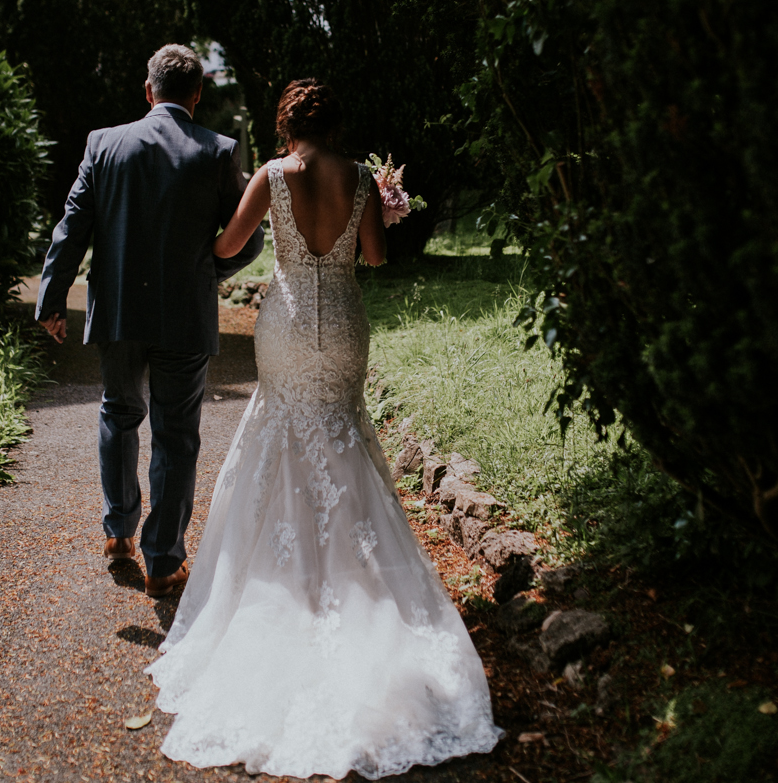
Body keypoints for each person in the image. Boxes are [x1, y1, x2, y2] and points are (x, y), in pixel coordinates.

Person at [145, 79, 503, 779]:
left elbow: (227, 247)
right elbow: (373, 259)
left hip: (283, 325)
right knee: (342, 437)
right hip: (341, 324)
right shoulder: (360, 176)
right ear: (335, 125)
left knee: (281, 437)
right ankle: (360, 578)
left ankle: (290, 580)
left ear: (285, 126)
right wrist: (383, 210)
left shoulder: (272, 176)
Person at [34, 44, 265, 598]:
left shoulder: (104, 144)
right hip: (185, 312)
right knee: (177, 434)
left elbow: (73, 226)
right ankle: (163, 561)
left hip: (117, 311)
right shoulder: (218, 151)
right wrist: (211, 264)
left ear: (148, 90)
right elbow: (250, 234)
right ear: (198, 92)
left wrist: (51, 296)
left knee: (118, 413)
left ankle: (118, 534)